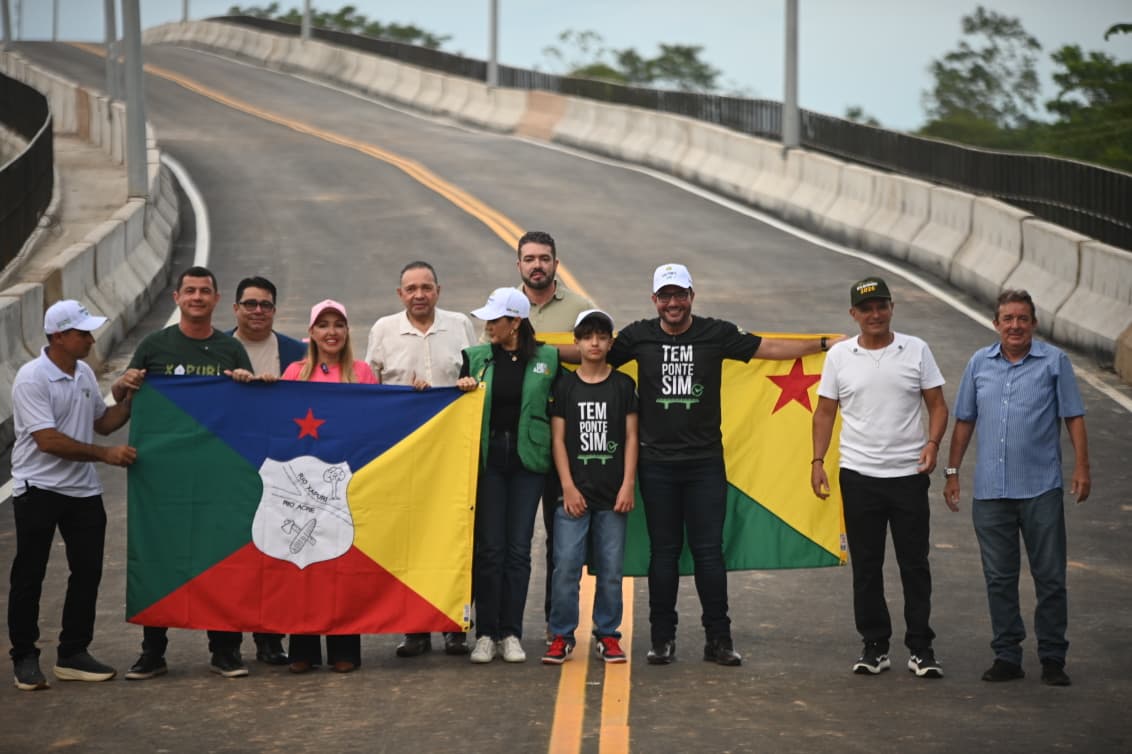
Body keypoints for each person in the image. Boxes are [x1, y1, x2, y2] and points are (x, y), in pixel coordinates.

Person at [604, 263, 837, 667]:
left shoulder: (715, 333)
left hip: (704, 464)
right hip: (656, 465)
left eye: (681, 295)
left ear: (692, 296)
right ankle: (662, 640)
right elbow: (592, 353)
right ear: (654, 300)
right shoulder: (637, 336)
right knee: (664, 554)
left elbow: (768, 348)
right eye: (666, 296)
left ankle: (719, 640)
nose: (673, 303)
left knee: (710, 553)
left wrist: (821, 343)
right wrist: (539, 350)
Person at [943, 289, 1090, 687]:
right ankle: (1007, 655)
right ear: (996, 324)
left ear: (1034, 324)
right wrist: (952, 472)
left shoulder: (1054, 362)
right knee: (999, 578)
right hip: (991, 493)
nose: (1015, 326)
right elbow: (964, 421)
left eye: (1022, 318)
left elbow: (1073, 416)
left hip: (1040, 488)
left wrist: (1082, 467)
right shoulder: (979, 363)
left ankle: (1053, 657)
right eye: (1007, 319)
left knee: (1050, 577)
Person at [124, 266, 258, 681]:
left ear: (217, 300)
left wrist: (246, 383)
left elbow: (248, 415)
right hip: (163, 479)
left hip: (219, 475)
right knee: (160, 554)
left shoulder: (230, 350)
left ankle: (225, 650)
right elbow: (127, 401)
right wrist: (122, 384)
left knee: (221, 557)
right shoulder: (154, 346)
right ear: (176, 298)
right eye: (190, 291)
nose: (197, 297)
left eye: (205, 291)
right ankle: (153, 652)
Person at [810, 277, 948, 678]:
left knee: (914, 564)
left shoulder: (916, 350)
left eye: (881, 306)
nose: (875, 315)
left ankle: (921, 647)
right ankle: (874, 646)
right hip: (858, 476)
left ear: (891, 308)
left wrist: (933, 444)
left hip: (908, 475)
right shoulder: (840, 357)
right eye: (866, 309)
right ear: (853, 314)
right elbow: (824, 412)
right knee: (867, 566)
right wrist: (817, 461)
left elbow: (937, 405)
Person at [7, 301, 141, 690]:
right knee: (30, 574)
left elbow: (101, 421)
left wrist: (132, 399)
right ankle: (25, 657)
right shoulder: (32, 379)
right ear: (59, 336)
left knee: (88, 571)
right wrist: (106, 456)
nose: (90, 338)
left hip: (82, 489)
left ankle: (73, 653)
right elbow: (47, 441)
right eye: (83, 333)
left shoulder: (82, 373)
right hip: (39, 487)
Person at [365, 261, 477, 658]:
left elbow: (475, 374)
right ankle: (414, 627)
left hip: (451, 453)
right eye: (411, 288)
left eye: (426, 287)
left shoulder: (460, 325)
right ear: (400, 294)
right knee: (408, 539)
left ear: (438, 291)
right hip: (404, 453)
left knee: (453, 537)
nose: (419, 294)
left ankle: (454, 625)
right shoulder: (383, 331)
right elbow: (371, 389)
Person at [456, 287, 559, 664]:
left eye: (494, 320)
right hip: (489, 461)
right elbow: (456, 404)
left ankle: (512, 632)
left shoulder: (546, 358)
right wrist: (463, 386)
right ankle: (486, 632)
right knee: (490, 548)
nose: (487, 326)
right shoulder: (475, 358)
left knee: (519, 548)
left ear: (515, 323)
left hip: (528, 461)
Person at [283, 299, 377, 673]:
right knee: (303, 566)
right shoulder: (293, 373)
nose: (332, 332)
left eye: (339, 324)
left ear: (347, 331)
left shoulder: (362, 372)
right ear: (311, 333)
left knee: (341, 564)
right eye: (323, 325)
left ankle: (344, 649)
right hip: (302, 485)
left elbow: (380, 421)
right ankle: (302, 649)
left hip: (346, 483)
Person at [510, 230, 595, 641]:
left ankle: (556, 624)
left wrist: (541, 349)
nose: (537, 265)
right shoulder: (506, 308)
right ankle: (504, 627)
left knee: (563, 542)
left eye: (544, 258)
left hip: (571, 442)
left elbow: (599, 351)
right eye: (529, 259)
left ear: (556, 265)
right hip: (521, 442)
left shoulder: (580, 310)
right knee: (515, 539)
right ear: (519, 266)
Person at [543, 309, 638, 665]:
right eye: (587, 336)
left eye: (601, 336)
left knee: (611, 571)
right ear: (576, 342)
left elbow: (631, 437)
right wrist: (567, 486)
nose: (594, 343)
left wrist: (628, 484)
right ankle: (561, 634)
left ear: (611, 342)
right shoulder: (565, 386)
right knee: (566, 566)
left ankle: (608, 634)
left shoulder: (623, 385)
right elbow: (558, 440)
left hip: (613, 496)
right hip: (572, 496)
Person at [225, 275, 305, 666]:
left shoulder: (294, 353)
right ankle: (226, 644)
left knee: (274, 557)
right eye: (251, 304)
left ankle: (270, 639)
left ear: (275, 310)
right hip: (228, 469)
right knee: (231, 560)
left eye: (266, 305)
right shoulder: (218, 350)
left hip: (280, 470)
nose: (258, 311)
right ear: (236, 308)